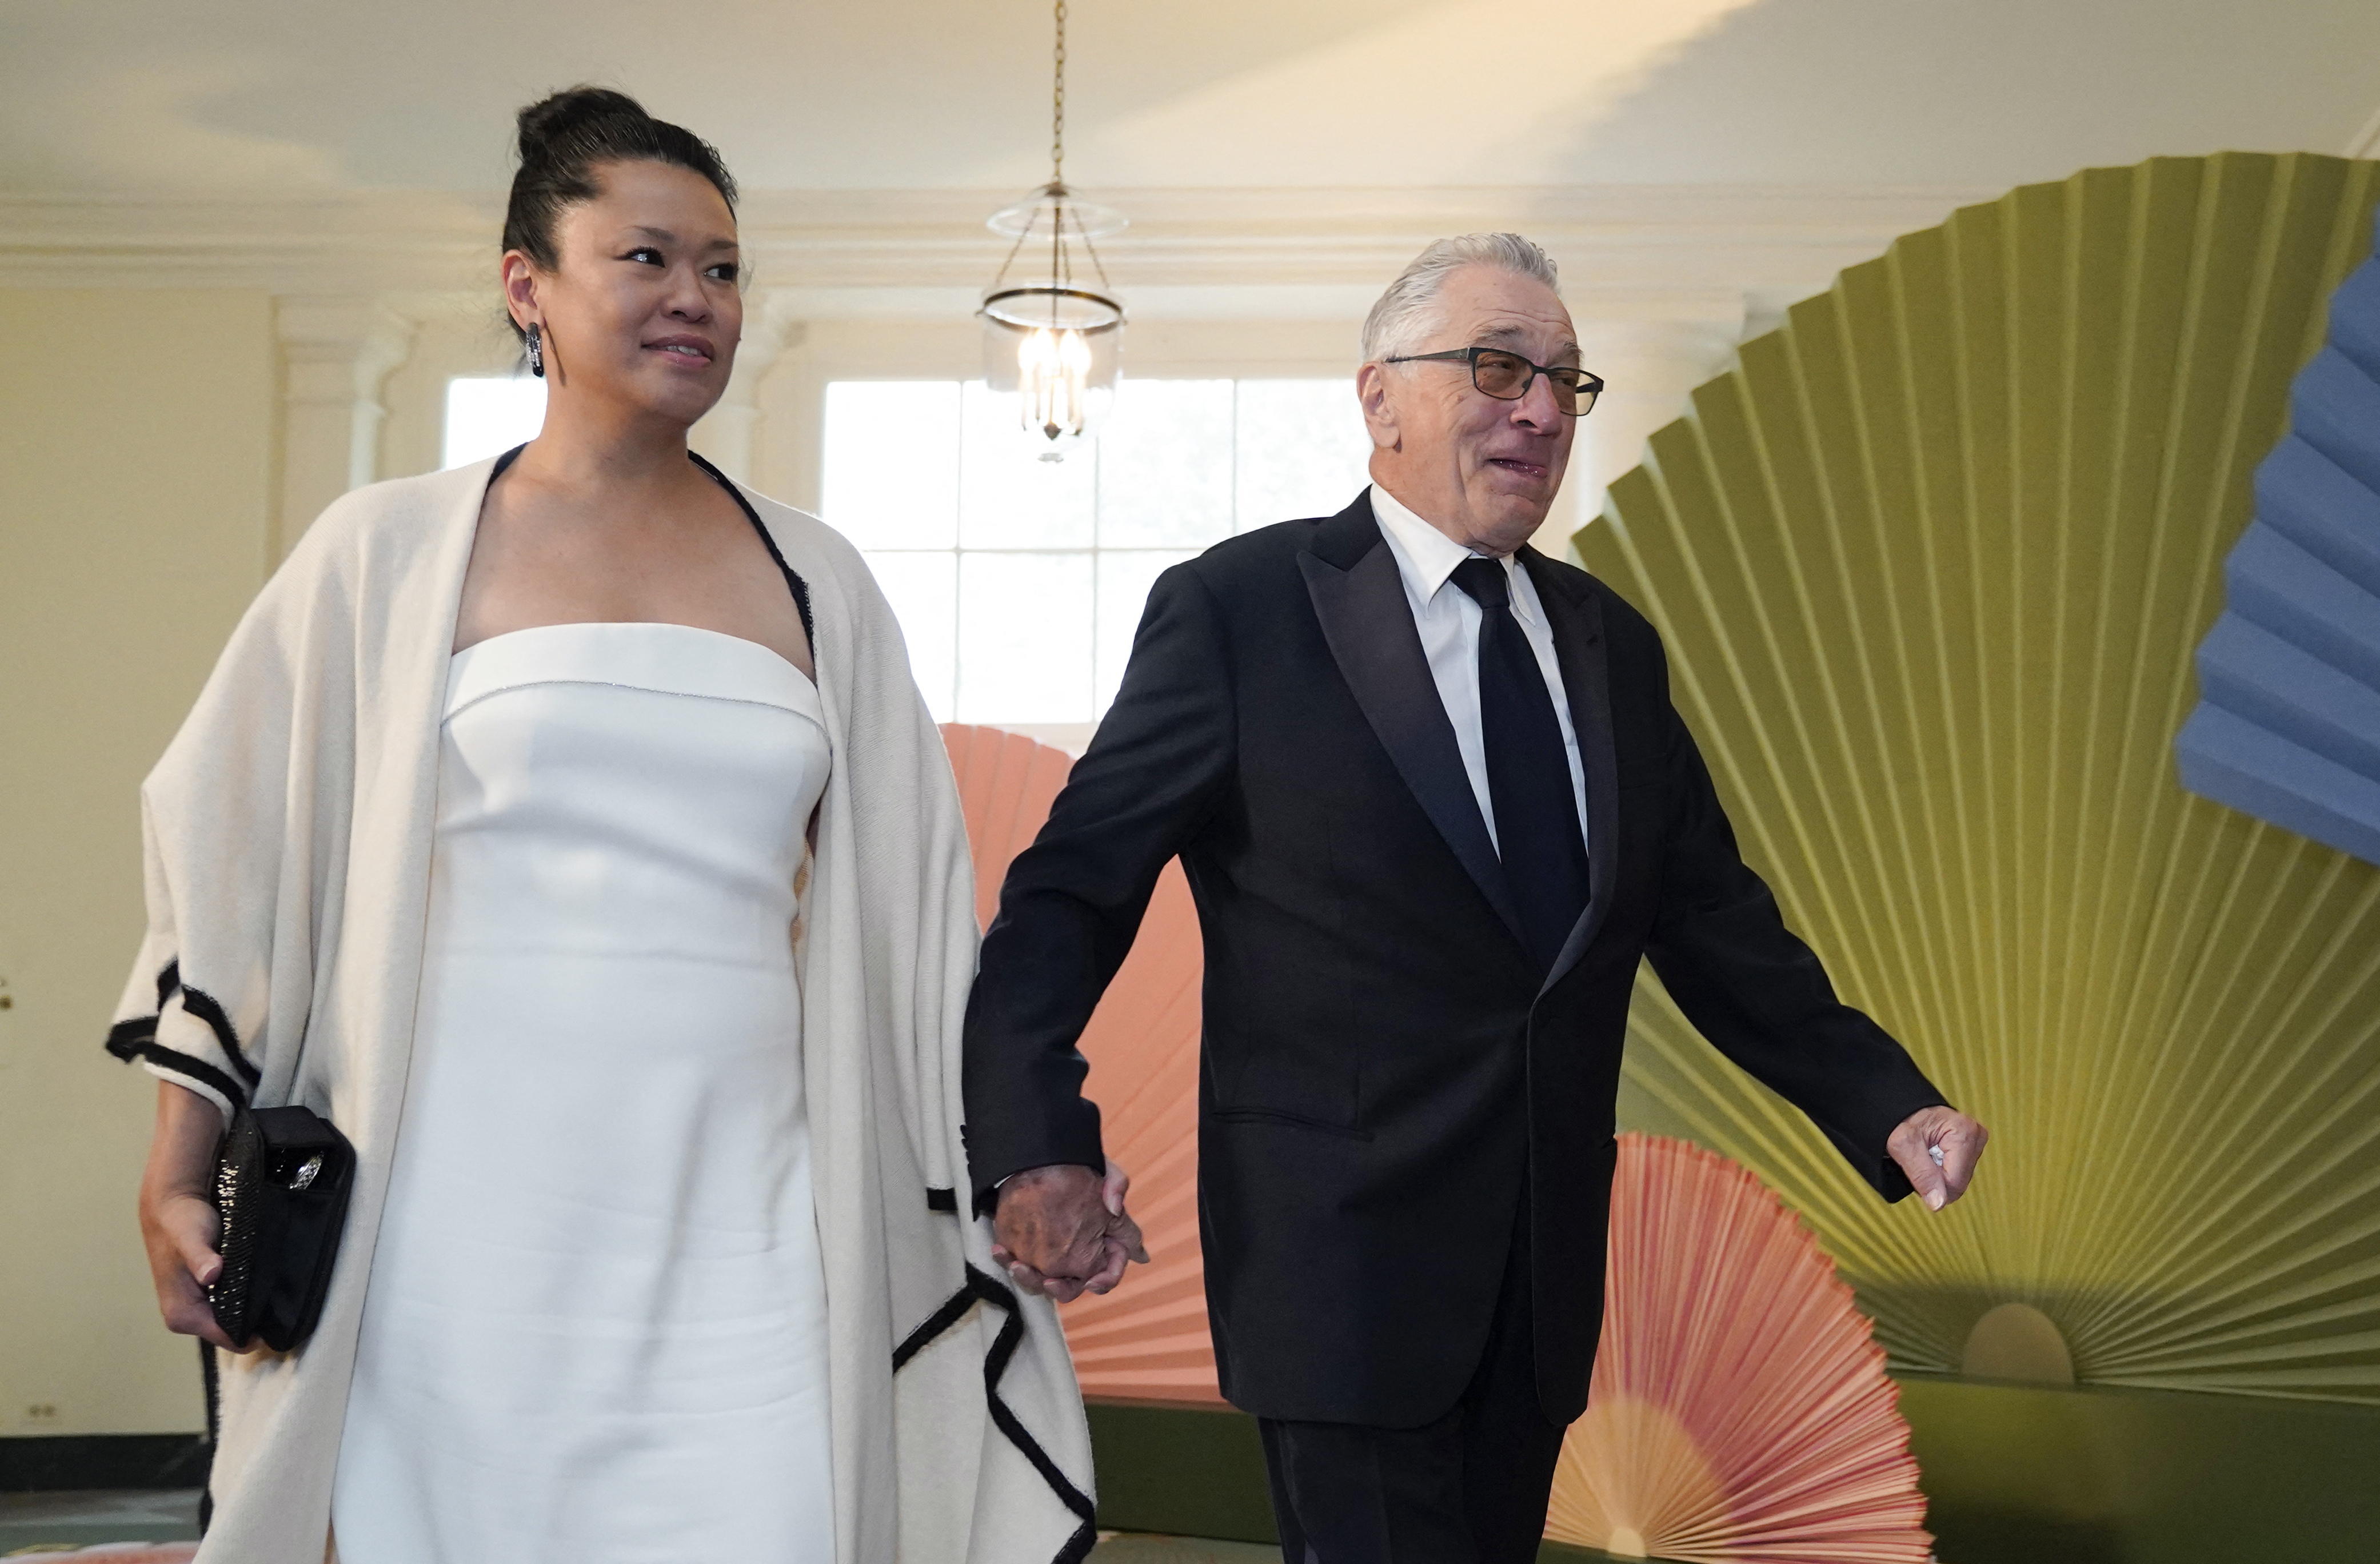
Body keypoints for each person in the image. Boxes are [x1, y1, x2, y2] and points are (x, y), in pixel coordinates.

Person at [113, 87, 1096, 1564]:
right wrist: (178, 1163)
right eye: (646, 259)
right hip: (451, 1230)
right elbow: (227, 863)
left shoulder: (820, 582)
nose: (696, 299)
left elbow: (914, 924)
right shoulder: (380, 558)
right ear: (529, 288)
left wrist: (1023, 1157)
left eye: (721, 268)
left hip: (754, 1216)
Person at [962, 233, 1990, 1562]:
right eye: (1500, 368)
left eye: (1569, 381)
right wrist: (1035, 1135)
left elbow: (1713, 917)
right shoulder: (1241, 610)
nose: (1544, 410)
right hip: (1337, 1268)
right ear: (1379, 396)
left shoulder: (1610, 643)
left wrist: (1886, 1102)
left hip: (1543, 1267)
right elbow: (1071, 894)